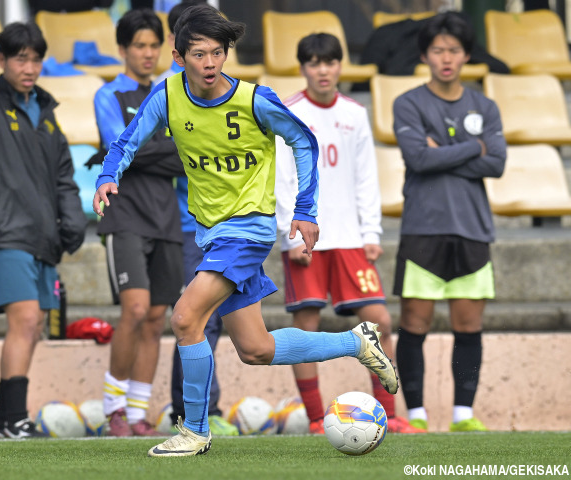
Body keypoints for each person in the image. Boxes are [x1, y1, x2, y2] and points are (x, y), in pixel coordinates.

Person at [93, 4, 398, 457]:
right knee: (255, 348)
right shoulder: (167, 96)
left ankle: (195, 431)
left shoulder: (255, 99)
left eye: (218, 53)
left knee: (183, 317)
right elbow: (126, 142)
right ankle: (355, 341)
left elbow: (303, 140)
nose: (210, 64)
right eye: (199, 54)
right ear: (178, 56)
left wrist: (306, 210)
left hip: (248, 230)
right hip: (210, 232)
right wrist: (107, 176)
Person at [275, 33, 425, 435]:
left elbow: (366, 179)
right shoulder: (287, 111)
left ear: (340, 65)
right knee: (305, 328)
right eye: (313, 62)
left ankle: (389, 414)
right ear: (303, 67)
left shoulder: (356, 114)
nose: (322, 70)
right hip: (307, 237)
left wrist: (371, 232)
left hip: (351, 240)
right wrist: (289, 236)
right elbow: (282, 179)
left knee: (379, 322)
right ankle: (313, 418)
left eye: (329, 62)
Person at [0, 23, 87, 438]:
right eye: (20, 58)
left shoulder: (47, 115)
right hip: (5, 232)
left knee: (33, 326)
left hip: (42, 239)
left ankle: (4, 420)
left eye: (35, 59)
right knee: (26, 318)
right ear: (2, 61)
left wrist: (72, 221)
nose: (29, 67)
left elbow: (64, 178)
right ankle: (14, 418)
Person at [392, 12, 506, 433]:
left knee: (468, 326)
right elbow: (417, 158)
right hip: (423, 228)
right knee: (414, 324)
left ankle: (463, 415)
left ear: (466, 55)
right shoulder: (408, 103)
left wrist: (447, 151)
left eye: (453, 50)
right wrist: (473, 148)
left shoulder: (485, 104)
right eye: (437, 49)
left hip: (473, 229)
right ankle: (417, 415)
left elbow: (497, 163)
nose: (446, 58)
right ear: (425, 55)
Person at [93, 8, 184, 437]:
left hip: (166, 214)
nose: (148, 54)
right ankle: (112, 409)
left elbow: (185, 154)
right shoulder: (107, 95)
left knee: (154, 318)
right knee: (133, 309)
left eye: (153, 46)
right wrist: (161, 149)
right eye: (139, 46)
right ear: (123, 50)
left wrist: (142, 150)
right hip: (124, 211)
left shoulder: (170, 94)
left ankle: (136, 414)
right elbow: (119, 148)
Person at [153, 0, 239, 437]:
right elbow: (156, 155)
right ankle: (190, 413)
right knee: (193, 316)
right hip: (188, 225)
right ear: (179, 47)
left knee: (228, 325)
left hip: (232, 225)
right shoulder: (167, 95)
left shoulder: (231, 94)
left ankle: (200, 411)